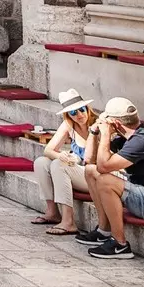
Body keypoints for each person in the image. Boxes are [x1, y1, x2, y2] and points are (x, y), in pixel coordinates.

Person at [78, 96, 144, 259]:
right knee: (90, 171)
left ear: (115, 123)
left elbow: (103, 167)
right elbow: (89, 160)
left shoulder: (142, 141)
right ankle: (103, 231)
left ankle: (120, 244)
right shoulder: (128, 137)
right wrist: (94, 132)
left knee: (105, 180)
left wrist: (105, 135)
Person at [31, 89, 98, 234]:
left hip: (96, 175)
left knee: (58, 165)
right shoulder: (69, 125)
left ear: (87, 108)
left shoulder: (97, 125)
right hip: (80, 170)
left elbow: (96, 159)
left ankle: (68, 221)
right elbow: (48, 150)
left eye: (81, 110)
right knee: (41, 162)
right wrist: (62, 156)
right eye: (73, 112)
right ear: (68, 115)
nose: (79, 115)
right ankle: (52, 212)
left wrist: (68, 160)